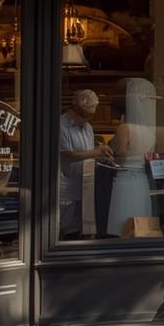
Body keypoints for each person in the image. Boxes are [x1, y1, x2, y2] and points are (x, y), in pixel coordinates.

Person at [59, 89, 112, 240]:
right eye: (83, 116)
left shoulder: (88, 127)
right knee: (64, 230)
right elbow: (66, 155)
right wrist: (97, 152)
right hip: (66, 188)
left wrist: (101, 157)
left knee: (80, 231)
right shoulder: (62, 126)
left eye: (90, 116)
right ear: (74, 108)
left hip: (85, 185)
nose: (86, 120)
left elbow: (87, 153)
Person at [107, 77, 158, 234]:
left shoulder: (125, 128)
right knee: (140, 219)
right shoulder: (151, 131)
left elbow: (119, 152)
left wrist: (106, 150)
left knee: (123, 220)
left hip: (125, 179)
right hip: (142, 181)